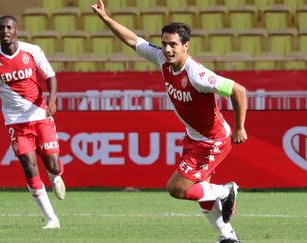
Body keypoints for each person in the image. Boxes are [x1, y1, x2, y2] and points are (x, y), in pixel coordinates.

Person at [92, 1, 248, 242]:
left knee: (177, 188)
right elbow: (133, 40)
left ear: (186, 46)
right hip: (194, 137)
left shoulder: (197, 74)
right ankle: (228, 236)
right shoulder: (162, 60)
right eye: (164, 43)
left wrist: (240, 127)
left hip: (212, 140)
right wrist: (105, 18)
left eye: (173, 44)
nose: (167, 49)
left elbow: (239, 90)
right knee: (199, 192)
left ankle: (227, 191)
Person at [0, 15, 66, 229]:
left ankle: (56, 176)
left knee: (52, 164)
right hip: (15, 120)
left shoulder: (33, 51)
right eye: (1, 28)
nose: (5, 31)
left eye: (9, 27)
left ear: (17, 30)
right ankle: (52, 218)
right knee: (29, 165)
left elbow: (50, 76)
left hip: (40, 114)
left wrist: (52, 101)